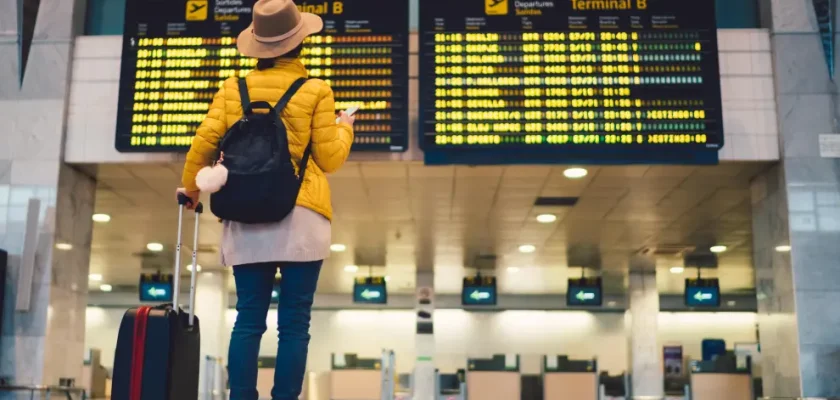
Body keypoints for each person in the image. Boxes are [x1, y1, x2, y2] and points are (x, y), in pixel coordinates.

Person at [178, 0, 354, 398]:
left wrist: (191, 190)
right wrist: (345, 127)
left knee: (248, 319)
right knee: (294, 322)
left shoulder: (231, 89)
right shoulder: (315, 90)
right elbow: (329, 157)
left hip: (245, 213)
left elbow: (202, 144)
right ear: (301, 42)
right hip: (302, 215)